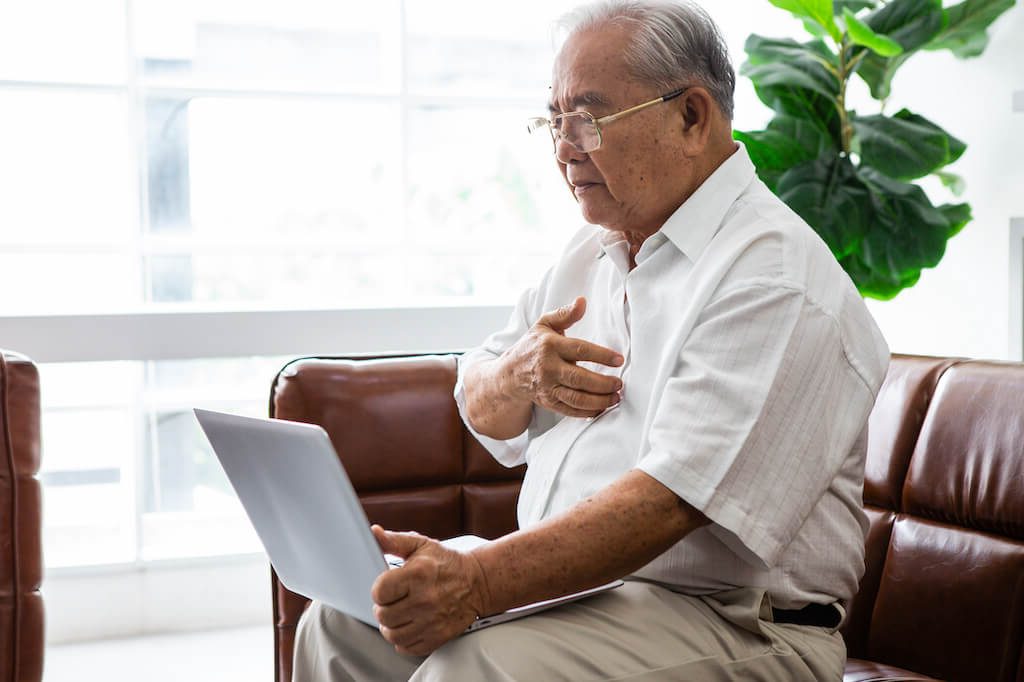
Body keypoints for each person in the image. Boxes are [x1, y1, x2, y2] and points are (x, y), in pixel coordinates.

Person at [293, 1, 890, 679]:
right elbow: (477, 398)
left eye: (588, 118)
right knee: (342, 620)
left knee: (477, 664)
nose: (563, 147)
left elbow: (670, 503)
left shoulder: (774, 276)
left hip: (738, 624)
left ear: (691, 117)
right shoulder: (591, 253)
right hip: (593, 598)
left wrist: (478, 582)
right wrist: (519, 375)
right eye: (554, 120)